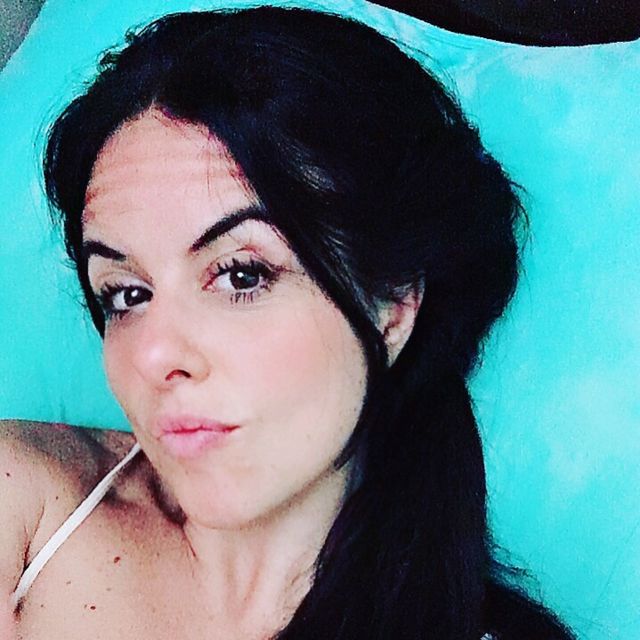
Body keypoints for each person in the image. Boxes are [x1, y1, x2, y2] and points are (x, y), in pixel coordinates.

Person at [0, 6, 575, 639]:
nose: (154, 354)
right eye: (127, 294)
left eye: (241, 275)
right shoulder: (23, 498)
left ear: (393, 305)